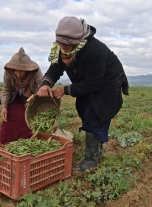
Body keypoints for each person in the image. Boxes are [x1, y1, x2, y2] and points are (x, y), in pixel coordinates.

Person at [37, 16, 129, 172]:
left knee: (96, 117)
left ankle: (91, 161)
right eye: (62, 45)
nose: (64, 51)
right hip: (87, 84)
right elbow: (55, 68)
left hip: (106, 86)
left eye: (68, 47)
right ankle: (97, 153)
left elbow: (93, 83)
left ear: (76, 42)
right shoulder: (61, 48)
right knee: (86, 112)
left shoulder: (95, 51)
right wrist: (46, 83)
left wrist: (66, 90)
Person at [0, 47, 43, 144]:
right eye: (16, 71)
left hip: (32, 98)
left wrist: (38, 107)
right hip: (16, 96)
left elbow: (41, 90)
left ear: (27, 69)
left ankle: (29, 143)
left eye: (21, 71)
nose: (18, 74)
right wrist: (4, 107)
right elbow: (7, 89)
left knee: (28, 119)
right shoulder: (9, 71)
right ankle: (8, 143)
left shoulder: (35, 71)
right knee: (10, 117)